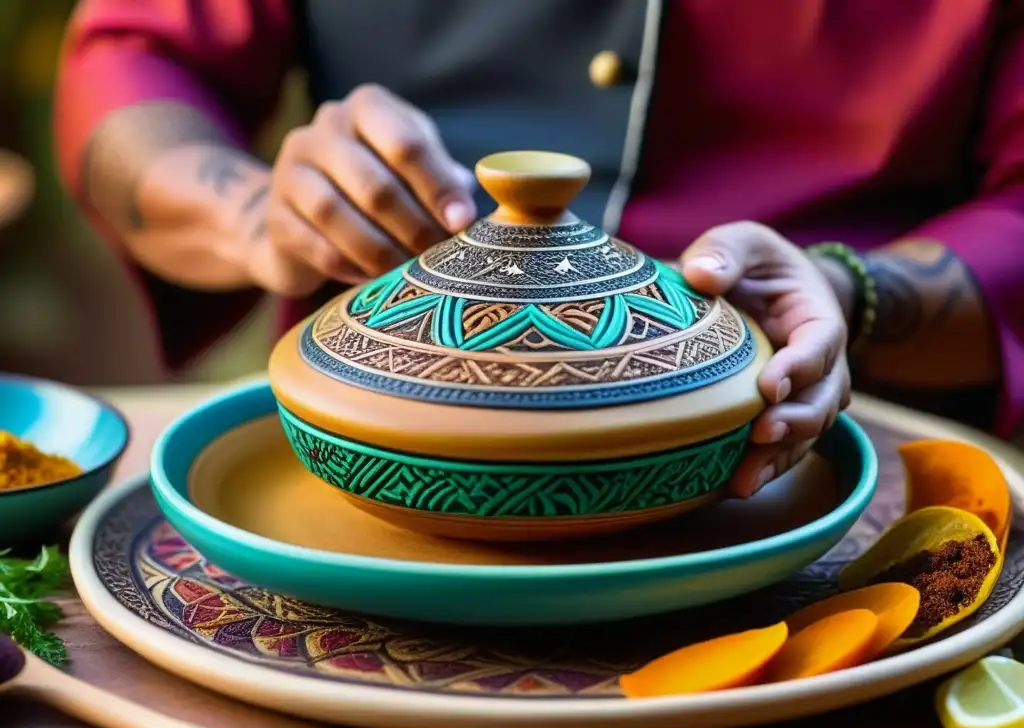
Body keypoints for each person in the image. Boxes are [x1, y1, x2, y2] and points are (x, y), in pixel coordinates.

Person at [54, 0, 1022, 498]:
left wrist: (850, 294)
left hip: (806, 456)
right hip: (365, 456)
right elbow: (140, 54)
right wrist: (252, 209)